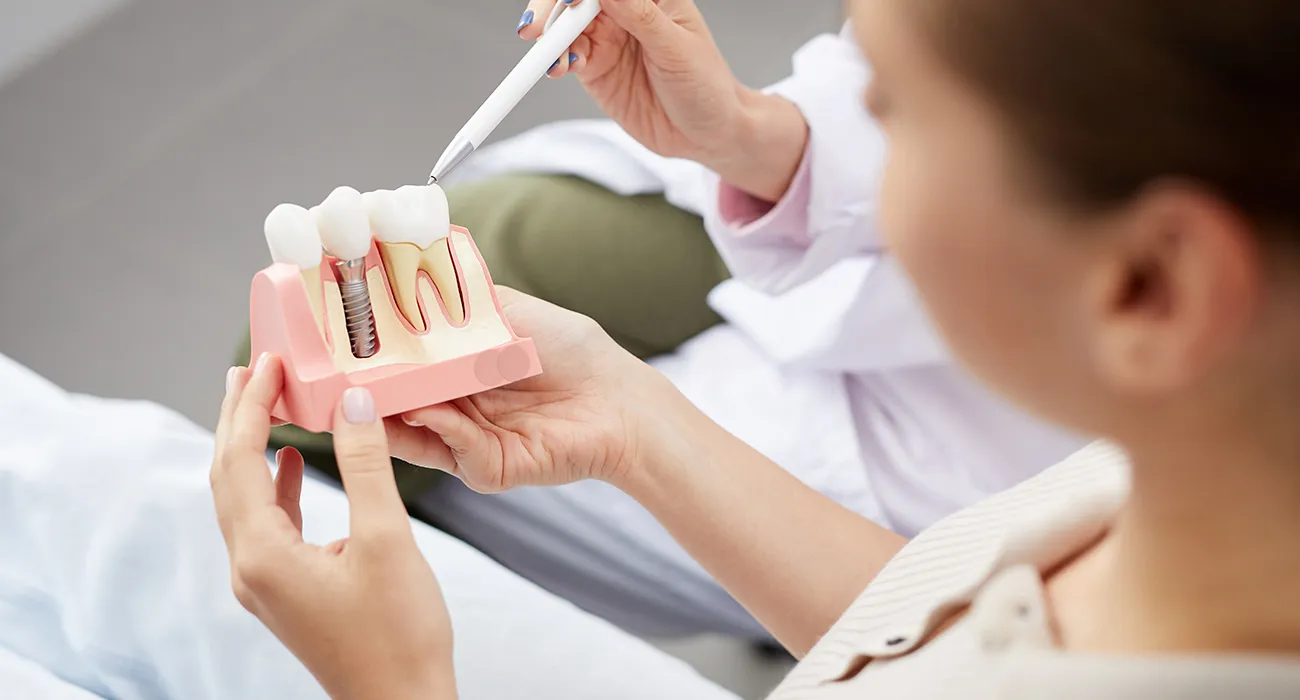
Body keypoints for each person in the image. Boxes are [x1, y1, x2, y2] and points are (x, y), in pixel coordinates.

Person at [213, 0, 1300, 696]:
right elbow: (934, 615)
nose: (857, 138)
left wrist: (399, 687)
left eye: (896, 111)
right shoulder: (1180, 494)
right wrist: (635, 426)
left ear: (1150, 287)